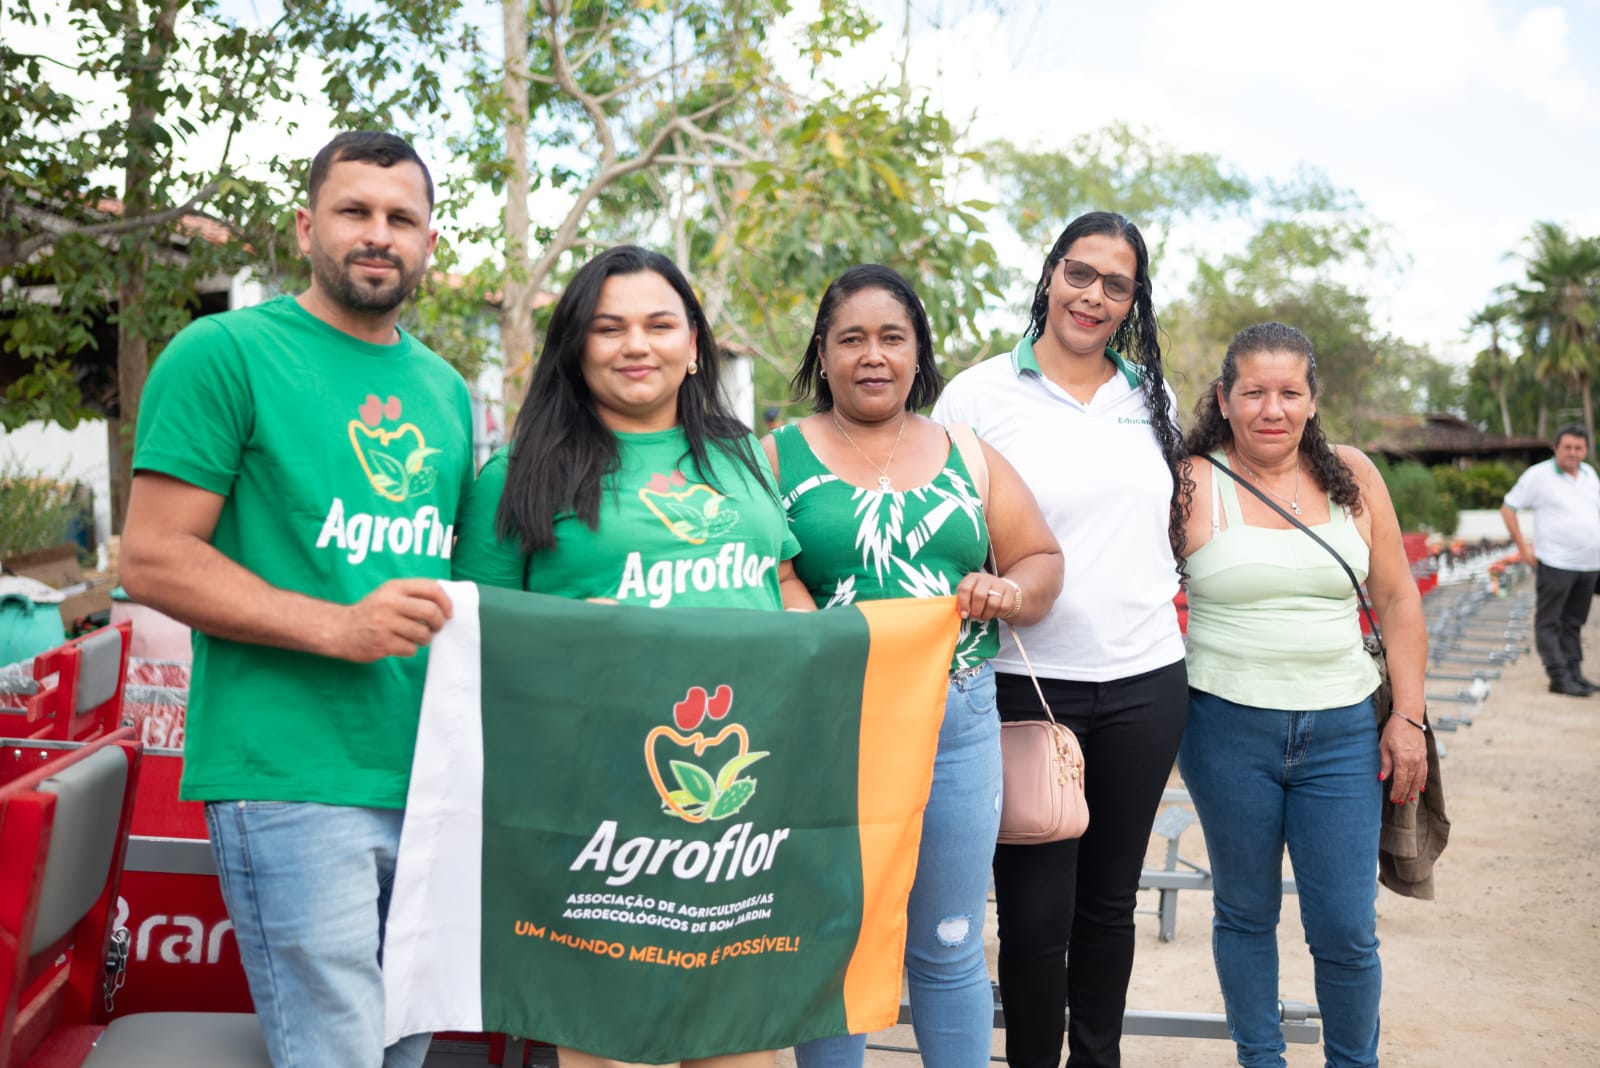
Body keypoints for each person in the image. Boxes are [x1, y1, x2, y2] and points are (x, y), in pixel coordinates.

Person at [120, 131, 472, 1068]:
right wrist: (338, 627)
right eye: (355, 210)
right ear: (306, 224)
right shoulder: (225, 353)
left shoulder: (444, 390)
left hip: (420, 777)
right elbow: (151, 558)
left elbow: (461, 577)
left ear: (430, 242)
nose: (378, 234)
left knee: (406, 1045)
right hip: (286, 774)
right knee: (336, 1050)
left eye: (402, 218)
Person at [451, 244, 807, 1068]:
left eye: (658, 324)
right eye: (608, 328)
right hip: (600, 817)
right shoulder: (518, 475)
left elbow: (783, 581)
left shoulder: (743, 458)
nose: (634, 345)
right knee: (616, 1046)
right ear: (576, 347)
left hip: (743, 812)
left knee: (746, 1039)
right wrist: (574, 640)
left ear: (693, 346)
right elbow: (474, 636)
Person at [773, 265, 1063, 1068]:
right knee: (838, 943)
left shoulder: (967, 454)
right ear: (823, 355)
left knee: (949, 941)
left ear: (918, 353)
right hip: (831, 724)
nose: (874, 356)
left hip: (958, 719)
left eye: (892, 338)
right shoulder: (775, 458)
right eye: (852, 339)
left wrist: (1005, 589)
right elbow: (764, 568)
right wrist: (810, 618)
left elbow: (1040, 559)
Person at [930, 211, 1188, 1068]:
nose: (1094, 296)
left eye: (1117, 284)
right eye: (1080, 274)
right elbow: (939, 524)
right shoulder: (974, 395)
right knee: (1036, 916)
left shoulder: (1152, 396)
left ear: (1133, 301)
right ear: (1050, 275)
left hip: (1147, 679)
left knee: (1110, 904)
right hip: (1021, 681)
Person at [1179, 321, 1428, 1068]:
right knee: (1245, 912)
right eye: (1253, 391)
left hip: (1345, 729)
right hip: (1223, 727)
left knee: (1346, 927)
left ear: (1313, 401)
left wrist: (1408, 718)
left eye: (1290, 392)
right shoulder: (1189, 479)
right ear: (1224, 398)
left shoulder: (1352, 475)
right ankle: (1262, 1059)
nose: (1271, 409)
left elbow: (1399, 599)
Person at [1499, 424, 1600, 696]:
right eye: (1567, 447)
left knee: (1574, 622)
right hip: (1556, 563)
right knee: (1550, 621)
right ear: (1555, 448)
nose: (1573, 453)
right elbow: (1508, 509)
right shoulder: (1538, 475)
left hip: (1588, 565)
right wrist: (1523, 549)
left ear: (1586, 450)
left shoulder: (1590, 474)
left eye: (1578, 448)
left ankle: (1575, 673)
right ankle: (1558, 676)